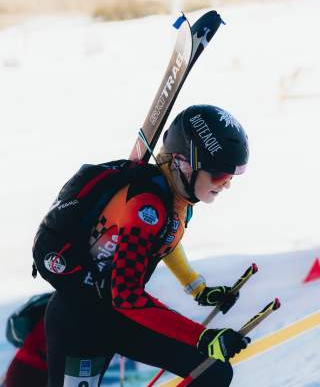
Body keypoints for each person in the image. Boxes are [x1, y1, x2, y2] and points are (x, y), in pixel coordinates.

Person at [32, 104, 250, 386]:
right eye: (220, 175)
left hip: (111, 315)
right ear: (184, 163)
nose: (226, 185)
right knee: (212, 371)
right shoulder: (146, 207)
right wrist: (202, 337)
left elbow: (164, 243)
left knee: (213, 372)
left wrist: (198, 289)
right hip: (81, 321)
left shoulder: (174, 200)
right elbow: (127, 295)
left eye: (231, 177)